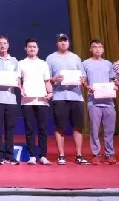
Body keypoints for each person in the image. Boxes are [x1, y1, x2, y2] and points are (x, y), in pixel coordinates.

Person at [46, 34, 89, 165]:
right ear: (57, 43)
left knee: (78, 127)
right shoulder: (51, 58)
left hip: (76, 96)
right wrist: (54, 79)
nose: (63, 43)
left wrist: (82, 79)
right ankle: (61, 155)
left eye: (65, 41)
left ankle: (79, 155)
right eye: (60, 41)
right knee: (60, 127)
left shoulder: (76, 57)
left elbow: (83, 76)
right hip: (59, 97)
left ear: (68, 42)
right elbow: (47, 78)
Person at [82, 39, 118, 165]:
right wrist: (87, 87)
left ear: (103, 49)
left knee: (109, 130)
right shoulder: (85, 63)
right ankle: (96, 154)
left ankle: (110, 154)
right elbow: (83, 81)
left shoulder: (108, 64)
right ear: (90, 49)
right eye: (94, 47)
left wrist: (114, 86)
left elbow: (112, 80)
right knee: (94, 130)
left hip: (109, 102)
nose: (97, 49)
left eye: (100, 47)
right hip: (94, 102)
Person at [18, 38, 52, 165]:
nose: (32, 48)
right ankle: (32, 155)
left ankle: (43, 156)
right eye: (30, 46)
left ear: (38, 49)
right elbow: (18, 80)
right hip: (27, 101)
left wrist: (50, 92)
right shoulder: (21, 63)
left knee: (43, 129)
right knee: (29, 129)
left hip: (42, 100)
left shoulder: (43, 64)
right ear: (25, 49)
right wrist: (20, 90)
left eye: (34, 47)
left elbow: (47, 81)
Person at [0, 35, 20, 165]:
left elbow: (18, 78)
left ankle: (10, 155)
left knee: (10, 128)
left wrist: (19, 85)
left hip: (11, 99)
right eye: (0, 43)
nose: (2, 45)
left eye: (5, 43)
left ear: (8, 45)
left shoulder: (14, 61)